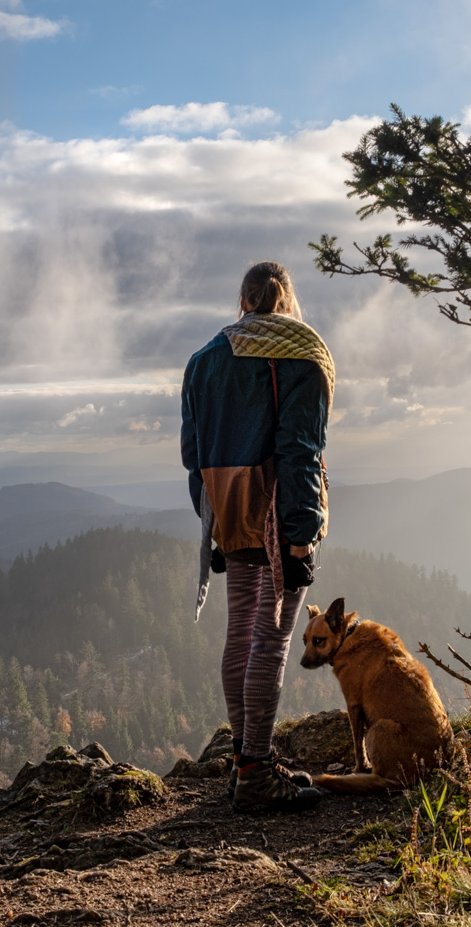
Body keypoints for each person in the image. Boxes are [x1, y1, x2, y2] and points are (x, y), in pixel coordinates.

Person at [180, 261, 333, 813]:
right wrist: (299, 540)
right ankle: (256, 775)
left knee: (241, 636)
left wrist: (216, 519)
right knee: (268, 641)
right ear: (287, 300)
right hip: (276, 517)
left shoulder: (203, 361)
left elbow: (192, 457)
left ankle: (249, 760)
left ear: (242, 300)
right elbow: (300, 454)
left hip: (228, 515)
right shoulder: (301, 357)